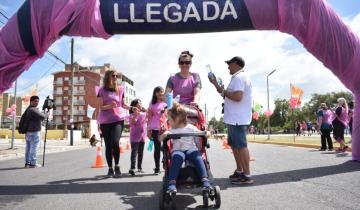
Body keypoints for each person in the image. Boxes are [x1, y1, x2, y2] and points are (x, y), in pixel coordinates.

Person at [209, 56, 254, 184]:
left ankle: (247, 175)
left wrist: (224, 91)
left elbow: (238, 96)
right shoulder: (236, 78)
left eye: (229, 63)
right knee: (235, 146)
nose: (228, 66)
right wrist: (216, 84)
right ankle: (240, 171)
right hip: (233, 118)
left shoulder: (240, 77)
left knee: (241, 146)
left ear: (236, 64)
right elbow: (226, 95)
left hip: (238, 119)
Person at [159, 102, 212, 193]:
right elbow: (160, 139)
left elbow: (202, 133)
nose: (168, 122)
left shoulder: (191, 127)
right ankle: (172, 183)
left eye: (170, 120)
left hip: (191, 149)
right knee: (176, 158)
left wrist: (207, 133)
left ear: (177, 119)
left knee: (198, 157)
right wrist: (164, 135)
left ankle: (204, 179)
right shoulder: (171, 130)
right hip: (178, 150)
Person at [97, 70, 137, 178]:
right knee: (108, 145)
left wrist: (132, 108)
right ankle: (110, 168)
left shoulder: (120, 89)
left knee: (115, 142)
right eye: (113, 76)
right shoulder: (101, 90)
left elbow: (123, 104)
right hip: (105, 121)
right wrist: (109, 106)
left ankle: (117, 166)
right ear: (107, 77)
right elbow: (101, 107)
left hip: (118, 119)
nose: (115, 77)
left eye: (116, 76)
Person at [147, 86, 167, 174]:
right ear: (155, 93)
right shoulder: (152, 104)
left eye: (162, 91)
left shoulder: (167, 102)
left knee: (166, 147)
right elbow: (149, 117)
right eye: (158, 91)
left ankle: (166, 163)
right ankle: (157, 167)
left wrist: (165, 111)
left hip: (166, 128)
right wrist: (148, 130)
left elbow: (171, 113)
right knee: (157, 148)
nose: (160, 93)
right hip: (155, 128)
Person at [24, 96, 46, 168]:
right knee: (33, 148)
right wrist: (46, 114)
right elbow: (42, 116)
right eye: (35, 101)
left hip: (28, 132)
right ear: (31, 101)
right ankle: (33, 163)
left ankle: (27, 162)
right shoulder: (33, 109)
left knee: (28, 148)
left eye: (38, 101)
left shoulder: (28, 109)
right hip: (34, 132)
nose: (37, 102)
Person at [129, 99, 147, 176]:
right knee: (134, 152)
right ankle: (132, 168)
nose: (140, 104)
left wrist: (146, 110)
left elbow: (150, 116)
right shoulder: (131, 115)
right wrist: (136, 114)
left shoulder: (143, 113)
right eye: (139, 103)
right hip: (134, 136)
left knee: (141, 152)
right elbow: (132, 123)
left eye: (141, 103)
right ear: (134, 105)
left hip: (142, 135)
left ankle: (139, 168)